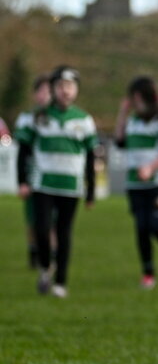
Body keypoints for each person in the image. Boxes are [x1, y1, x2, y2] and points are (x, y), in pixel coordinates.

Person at [15, 66, 97, 298]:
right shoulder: (37, 117)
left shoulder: (84, 119)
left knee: (64, 233)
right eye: (61, 86)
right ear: (53, 89)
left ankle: (61, 282)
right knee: (41, 230)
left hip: (71, 186)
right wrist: (22, 181)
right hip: (43, 184)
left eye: (70, 86)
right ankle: (44, 267)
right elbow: (24, 151)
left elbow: (91, 157)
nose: (66, 91)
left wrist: (90, 191)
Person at [114, 76, 158, 289]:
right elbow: (119, 141)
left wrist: (151, 167)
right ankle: (148, 272)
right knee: (142, 227)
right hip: (136, 184)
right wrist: (122, 113)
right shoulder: (133, 121)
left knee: (157, 223)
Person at [14, 75, 53, 269]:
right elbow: (22, 152)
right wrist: (22, 181)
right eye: (42, 91)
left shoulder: (58, 118)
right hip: (34, 176)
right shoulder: (27, 118)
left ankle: (52, 257)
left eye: (49, 91)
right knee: (33, 220)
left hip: (54, 177)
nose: (45, 95)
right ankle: (34, 253)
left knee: (53, 221)